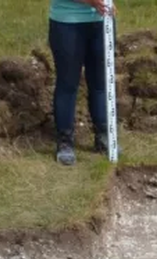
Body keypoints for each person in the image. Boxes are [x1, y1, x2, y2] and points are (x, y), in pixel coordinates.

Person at [48, 0, 114, 166]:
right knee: (68, 84)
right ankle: (65, 142)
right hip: (67, 23)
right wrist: (91, 2)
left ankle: (104, 135)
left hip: (101, 22)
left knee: (100, 83)